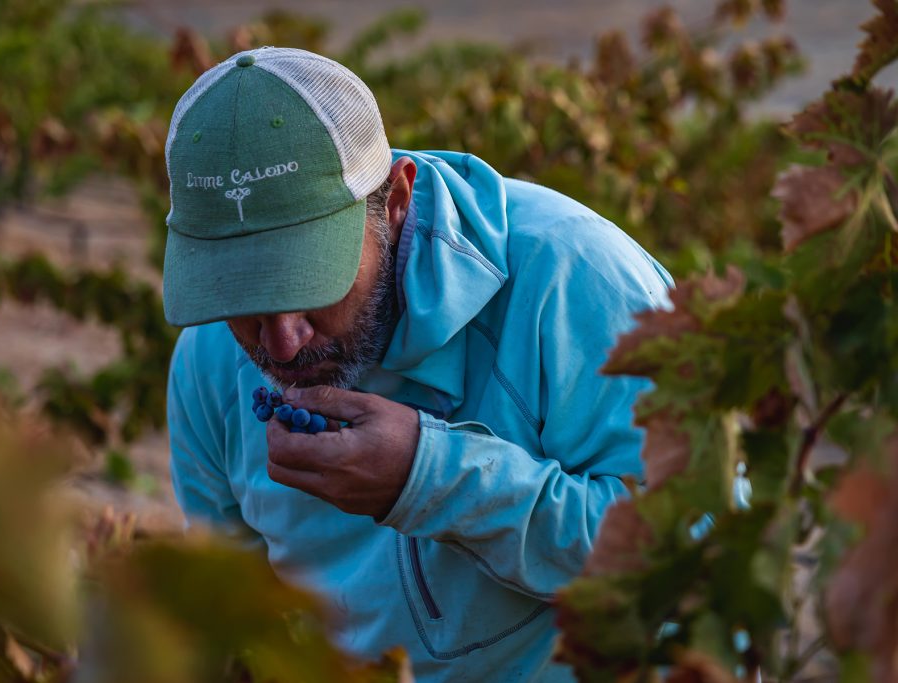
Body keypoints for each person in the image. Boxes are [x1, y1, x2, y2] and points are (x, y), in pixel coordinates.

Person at [163, 46, 673, 682]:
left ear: (396, 201)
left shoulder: (576, 284)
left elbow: (691, 555)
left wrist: (430, 478)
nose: (284, 345)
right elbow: (234, 623)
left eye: (310, 283)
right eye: (242, 299)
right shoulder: (208, 367)